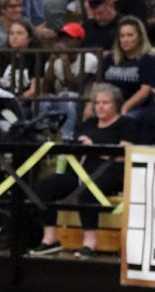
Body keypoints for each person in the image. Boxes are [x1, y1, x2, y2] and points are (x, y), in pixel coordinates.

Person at [29, 83, 138, 258]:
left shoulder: (125, 124)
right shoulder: (89, 123)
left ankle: (90, 242)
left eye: (105, 103)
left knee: (88, 191)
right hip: (80, 170)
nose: (100, 106)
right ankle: (50, 238)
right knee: (44, 186)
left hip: (111, 172)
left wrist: (94, 147)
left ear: (116, 104)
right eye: (97, 103)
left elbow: (126, 153)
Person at [40, 22, 99, 139]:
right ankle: (44, 137)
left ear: (79, 41)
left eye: (69, 38)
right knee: (43, 99)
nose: (64, 42)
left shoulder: (89, 59)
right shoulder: (54, 61)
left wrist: (65, 60)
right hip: (60, 100)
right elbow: (46, 89)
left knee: (67, 96)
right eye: (62, 38)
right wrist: (51, 61)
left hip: (81, 102)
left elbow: (75, 87)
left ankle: (66, 138)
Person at [101, 16, 155, 123]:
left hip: (137, 107)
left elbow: (145, 91)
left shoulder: (148, 60)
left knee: (126, 119)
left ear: (139, 37)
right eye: (122, 36)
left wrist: (125, 107)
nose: (125, 40)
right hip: (108, 105)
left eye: (130, 35)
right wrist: (91, 104)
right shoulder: (110, 58)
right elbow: (98, 85)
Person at [0, 18, 41, 98]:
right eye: (11, 33)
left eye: (19, 33)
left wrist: (16, 101)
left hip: (26, 101)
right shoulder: (1, 55)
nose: (14, 37)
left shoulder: (36, 56)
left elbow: (34, 89)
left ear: (29, 38)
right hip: (2, 100)